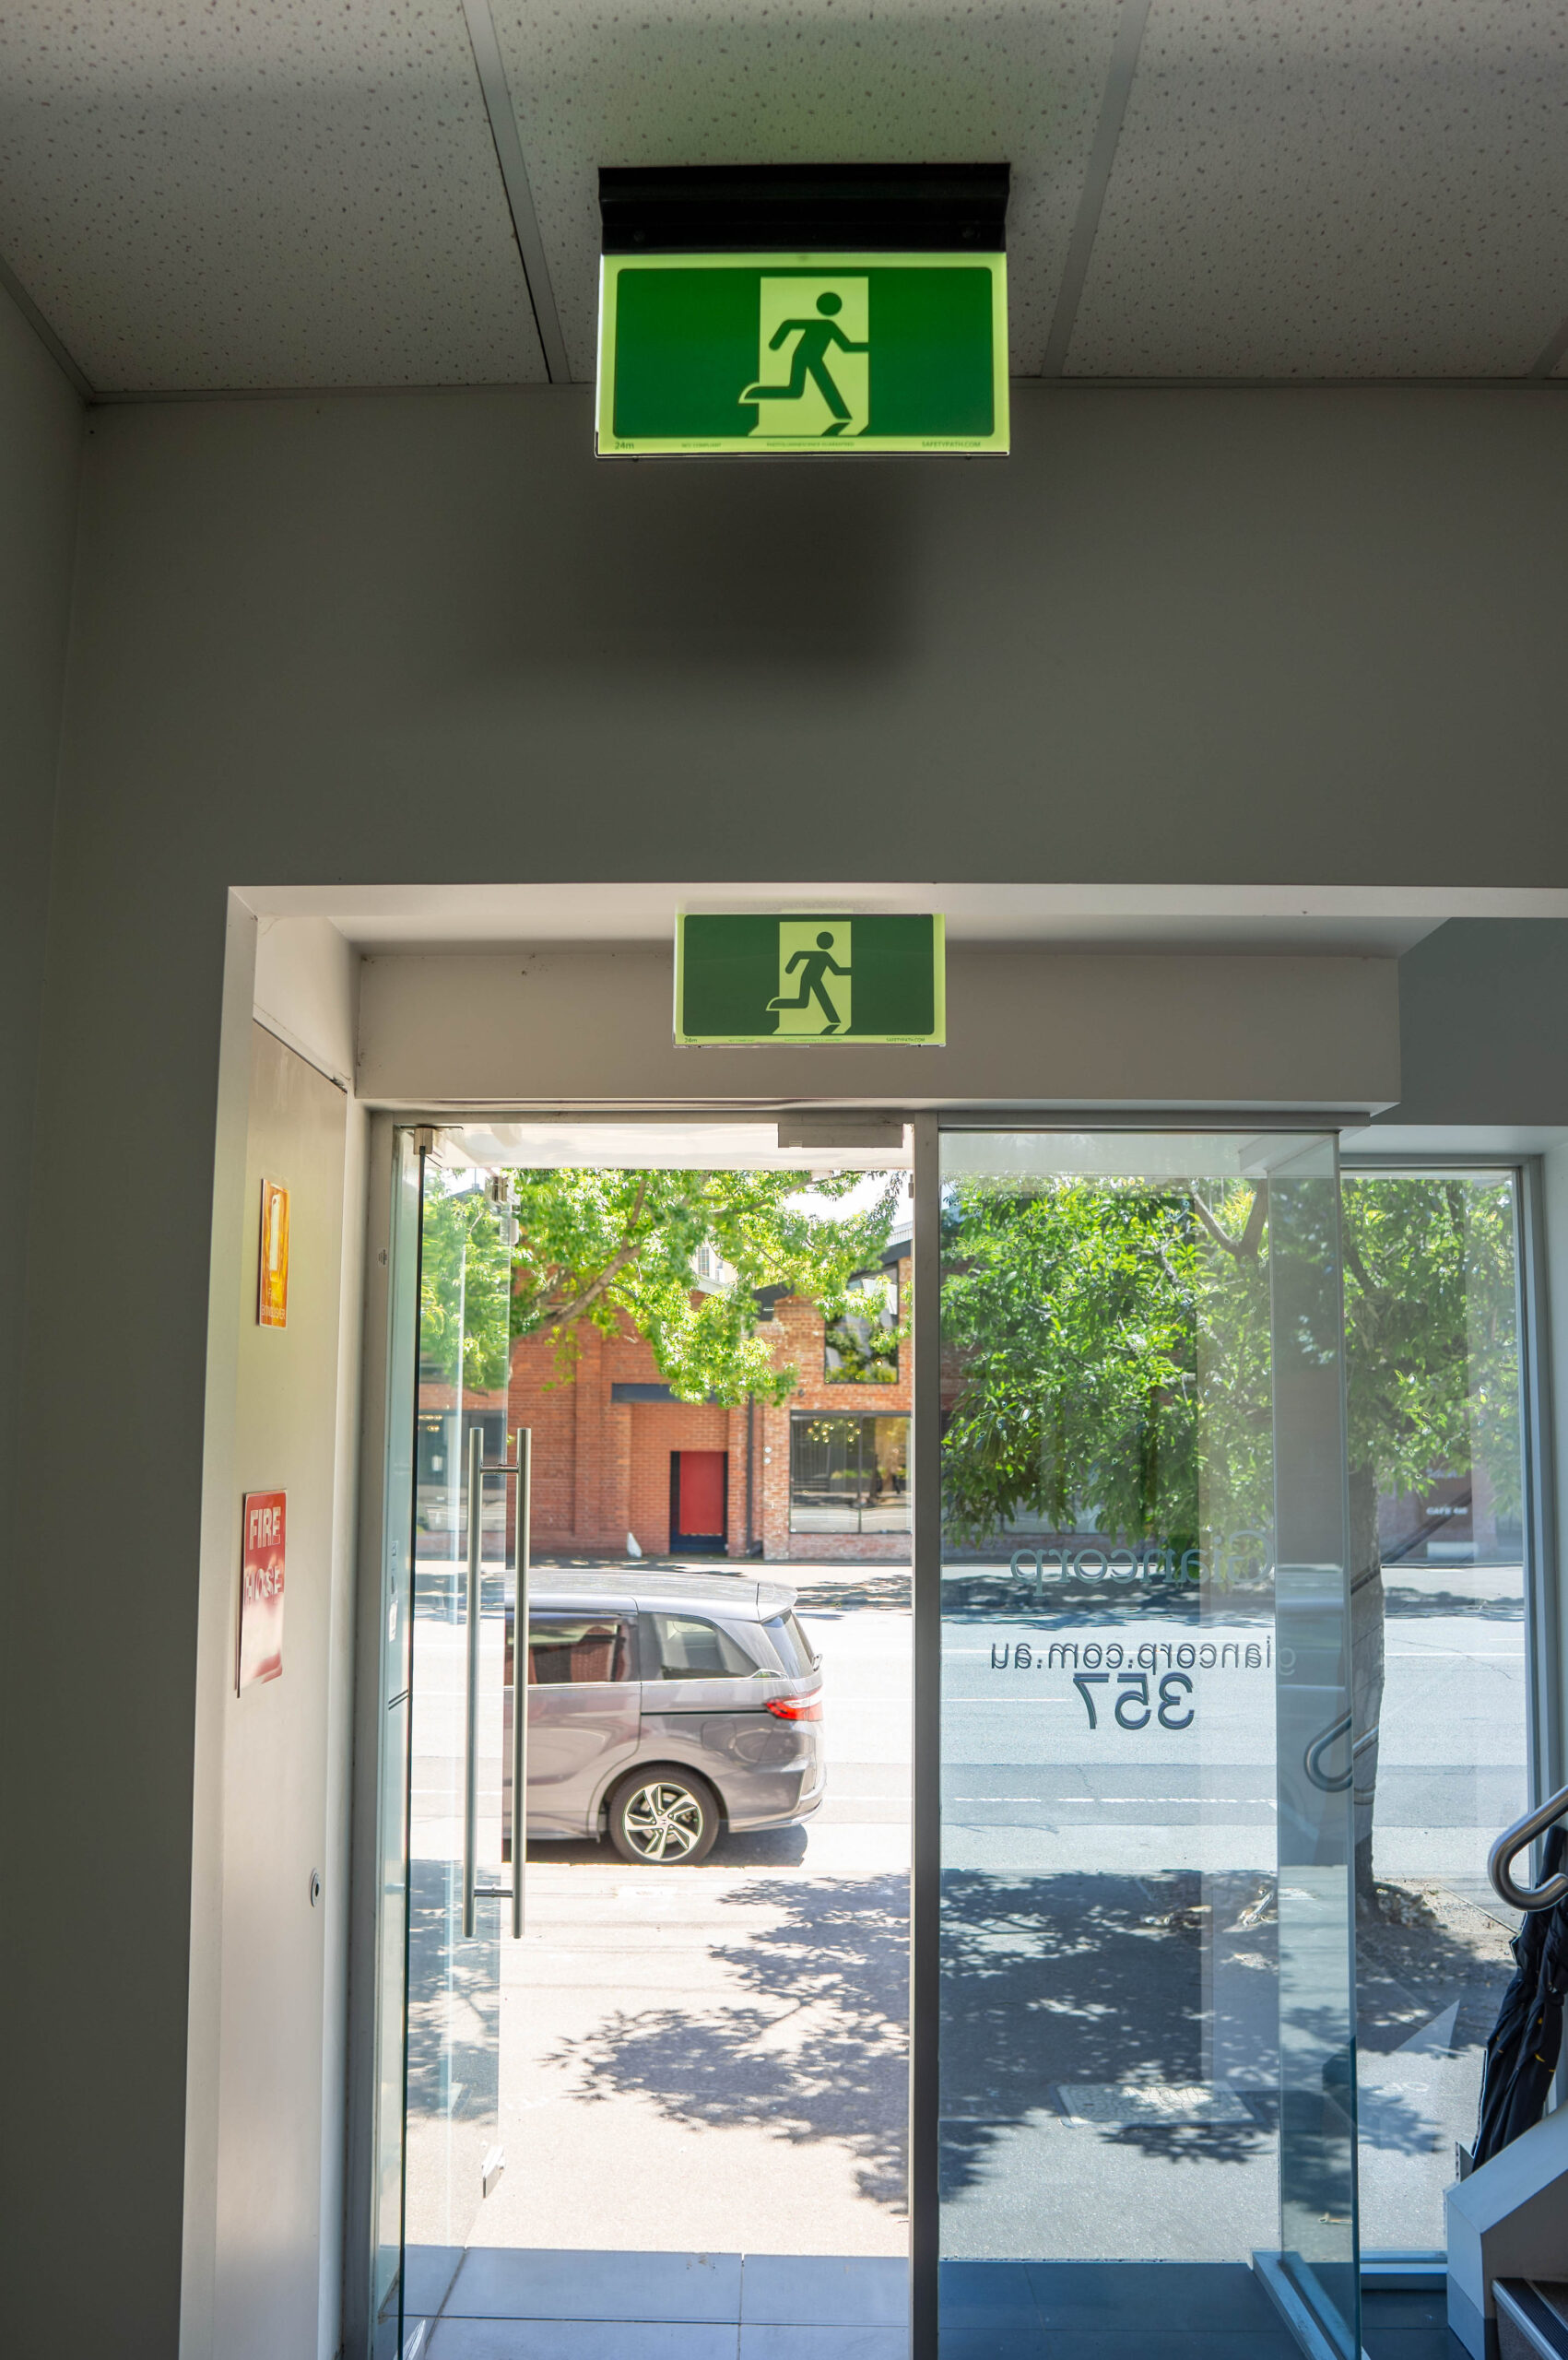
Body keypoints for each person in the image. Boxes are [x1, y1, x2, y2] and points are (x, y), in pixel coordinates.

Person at [741, 293, 867, 430]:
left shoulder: (830, 326)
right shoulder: (826, 325)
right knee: (798, 390)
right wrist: (776, 343)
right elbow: (789, 324)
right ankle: (842, 415)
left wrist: (870, 346)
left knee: (795, 391)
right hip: (803, 357)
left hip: (812, 358)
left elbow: (846, 347)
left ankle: (756, 393)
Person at [768, 932, 851, 1032]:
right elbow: (799, 955)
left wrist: (851, 970)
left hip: (815, 980)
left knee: (803, 1002)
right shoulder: (823, 955)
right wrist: (789, 969)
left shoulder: (825, 955)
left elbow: (836, 971)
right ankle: (776, 1004)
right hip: (808, 978)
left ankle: (834, 1020)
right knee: (803, 1002)